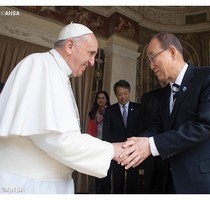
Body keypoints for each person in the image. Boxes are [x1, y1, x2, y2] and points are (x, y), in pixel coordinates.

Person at [0, 22, 126, 194]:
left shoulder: (57, 74)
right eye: (90, 53)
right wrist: (112, 150)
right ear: (69, 45)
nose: (91, 62)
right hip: (29, 185)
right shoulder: (39, 65)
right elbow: (55, 139)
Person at [120, 32, 210, 194]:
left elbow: (204, 125)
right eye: (148, 61)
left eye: (152, 57)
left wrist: (150, 145)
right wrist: (137, 143)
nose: (151, 66)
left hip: (209, 182)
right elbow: (160, 127)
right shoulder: (164, 94)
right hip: (173, 184)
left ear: (171, 52)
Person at [103, 79, 142, 194]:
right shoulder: (110, 110)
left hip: (133, 150)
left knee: (133, 181)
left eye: (125, 93)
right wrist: (108, 150)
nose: (123, 97)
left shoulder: (138, 108)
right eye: (119, 94)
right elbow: (106, 132)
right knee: (117, 180)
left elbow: (141, 129)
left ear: (129, 92)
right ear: (115, 94)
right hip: (117, 152)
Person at [139, 81, 168, 193]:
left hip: (168, 146)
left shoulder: (178, 96)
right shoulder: (147, 98)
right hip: (148, 146)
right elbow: (142, 123)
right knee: (150, 181)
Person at [86, 90, 110, 193]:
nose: (101, 100)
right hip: (96, 145)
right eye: (99, 98)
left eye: (103, 98)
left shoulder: (112, 112)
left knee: (107, 173)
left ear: (107, 100)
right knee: (96, 172)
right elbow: (90, 131)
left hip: (108, 145)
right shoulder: (92, 114)